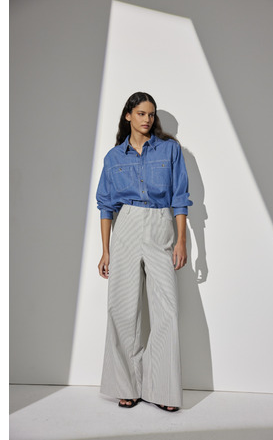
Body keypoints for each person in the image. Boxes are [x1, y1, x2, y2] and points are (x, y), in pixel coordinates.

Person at [96, 91, 193, 412]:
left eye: (151, 114)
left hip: (159, 223)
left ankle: (162, 389)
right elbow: (105, 205)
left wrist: (181, 240)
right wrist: (105, 250)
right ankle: (126, 386)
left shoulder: (169, 150)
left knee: (166, 309)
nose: (147, 119)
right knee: (122, 309)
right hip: (125, 225)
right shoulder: (114, 157)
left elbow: (180, 197)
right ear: (128, 116)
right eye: (141, 113)